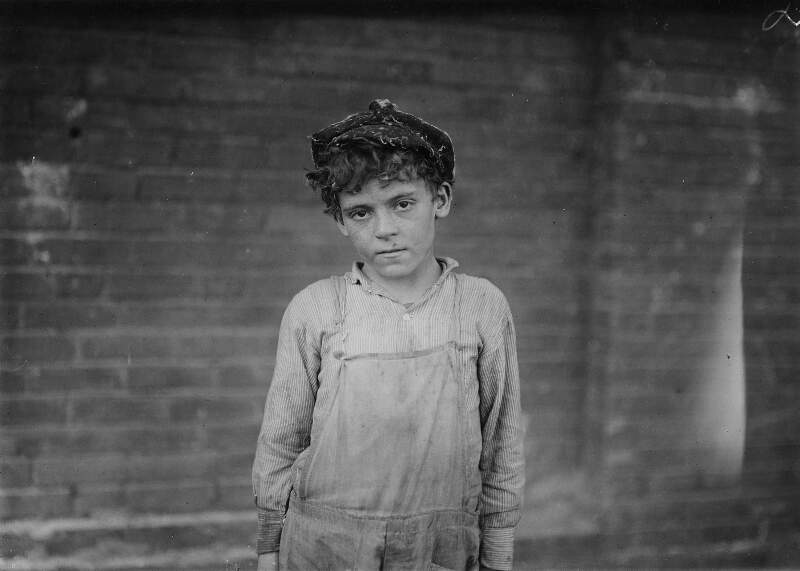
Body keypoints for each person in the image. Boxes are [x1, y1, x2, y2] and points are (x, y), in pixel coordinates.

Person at [252, 99, 524, 571]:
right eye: (361, 212)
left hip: (438, 547)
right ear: (339, 220)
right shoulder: (316, 308)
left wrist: (497, 556)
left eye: (402, 203)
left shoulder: (481, 306)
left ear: (439, 200)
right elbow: (281, 441)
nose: (385, 229)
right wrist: (268, 548)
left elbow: (501, 444)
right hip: (326, 545)